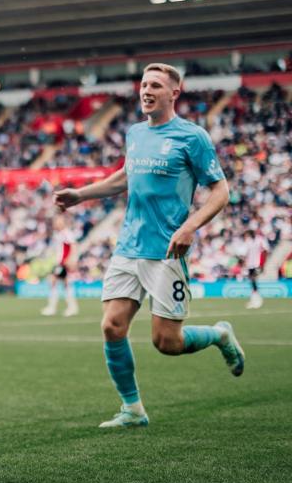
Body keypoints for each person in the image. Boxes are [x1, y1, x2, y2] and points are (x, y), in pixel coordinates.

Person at [55, 63, 246, 429]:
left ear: (174, 93)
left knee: (166, 342)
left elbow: (221, 190)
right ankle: (133, 409)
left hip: (165, 252)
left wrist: (190, 226)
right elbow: (124, 177)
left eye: (156, 85)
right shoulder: (134, 133)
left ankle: (220, 334)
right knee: (112, 326)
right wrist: (81, 194)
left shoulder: (192, 137)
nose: (146, 91)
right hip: (128, 247)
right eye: (144, 84)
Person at [40, 216, 80, 317]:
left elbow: (73, 246)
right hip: (60, 262)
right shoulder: (58, 234)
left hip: (63, 263)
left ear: (63, 222)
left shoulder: (67, 233)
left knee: (54, 282)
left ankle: (53, 308)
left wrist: (71, 259)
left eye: (58, 221)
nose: (55, 223)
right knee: (64, 284)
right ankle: (71, 307)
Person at [240, 229, 267, 309]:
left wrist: (262, 264)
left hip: (256, 264)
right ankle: (255, 298)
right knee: (252, 281)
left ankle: (256, 299)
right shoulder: (250, 241)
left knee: (253, 280)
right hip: (250, 265)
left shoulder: (258, 240)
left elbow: (265, 250)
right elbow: (245, 253)